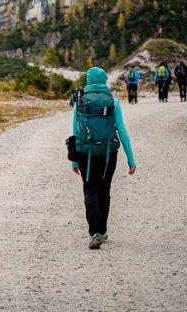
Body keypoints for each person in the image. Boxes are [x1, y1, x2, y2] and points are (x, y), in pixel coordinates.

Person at [69, 66, 136, 249]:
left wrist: (74, 159)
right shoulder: (113, 102)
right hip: (108, 153)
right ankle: (103, 230)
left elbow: (75, 131)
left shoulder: (80, 101)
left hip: (85, 153)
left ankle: (94, 232)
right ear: (104, 80)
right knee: (104, 190)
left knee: (90, 190)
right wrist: (131, 159)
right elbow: (122, 131)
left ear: (89, 81)